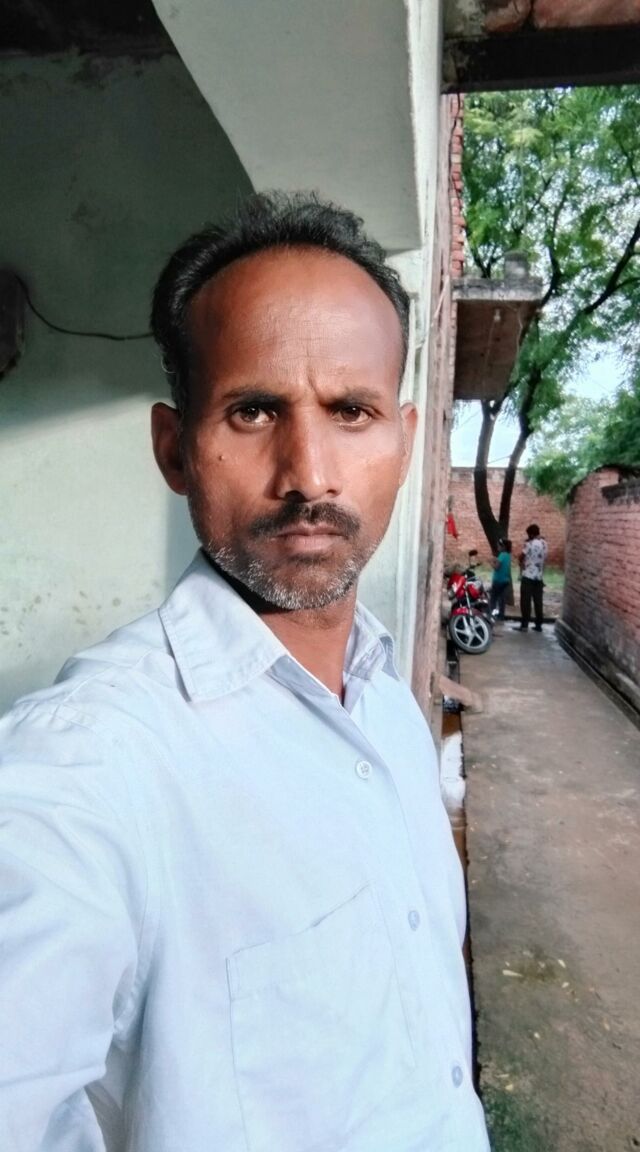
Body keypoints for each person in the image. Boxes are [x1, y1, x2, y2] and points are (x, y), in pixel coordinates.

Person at [0, 192, 489, 1151]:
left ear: (403, 442)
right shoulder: (87, 765)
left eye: (351, 412)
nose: (309, 472)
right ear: (174, 449)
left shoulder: (390, 704)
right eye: (254, 410)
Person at [515, 522, 548, 632]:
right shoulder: (544, 543)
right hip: (539, 577)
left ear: (531, 534)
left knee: (525, 601)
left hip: (528, 576)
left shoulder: (529, 544)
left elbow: (521, 557)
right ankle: (539, 624)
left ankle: (525, 625)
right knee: (538, 601)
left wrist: (521, 560)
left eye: (528, 534)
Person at [489, 538, 512, 621]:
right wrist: (496, 559)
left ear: (503, 547)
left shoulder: (502, 555)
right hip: (505, 580)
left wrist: (491, 562)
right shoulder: (508, 555)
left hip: (498, 580)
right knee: (502, 599)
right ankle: (501, 615)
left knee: (493, 599)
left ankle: (492, 615)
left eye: (499, 545)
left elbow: (497, 567)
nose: (497, 547)